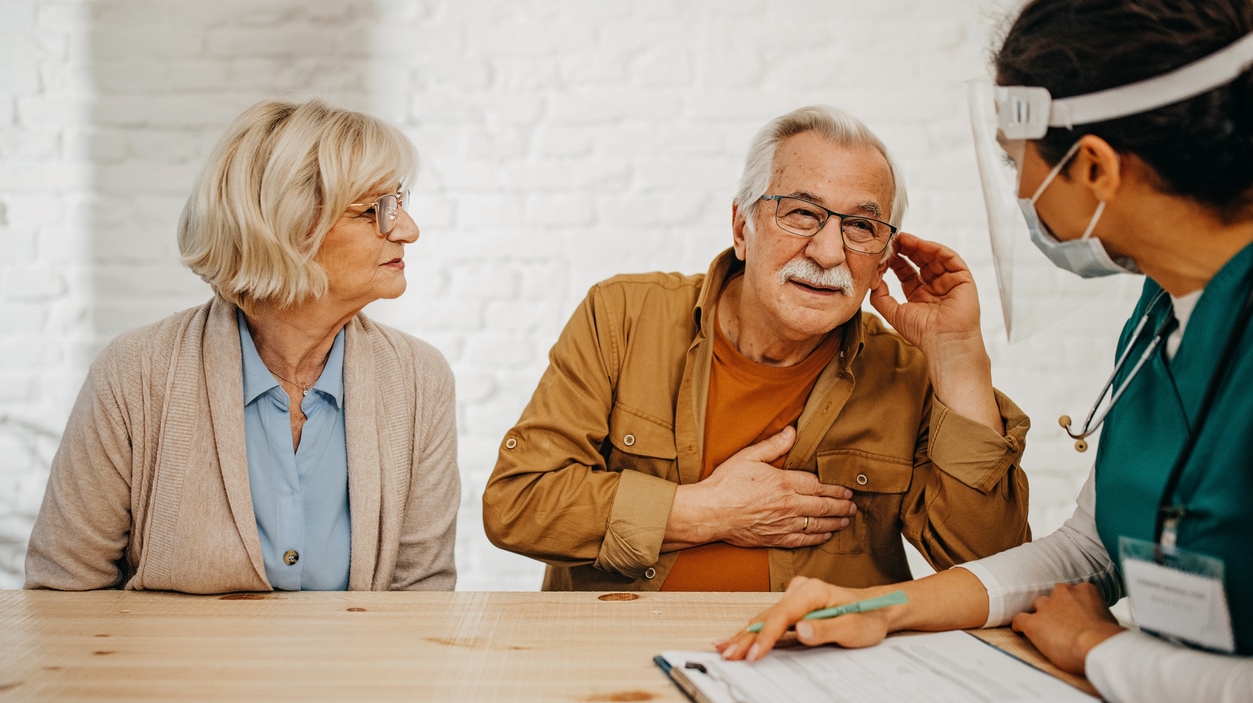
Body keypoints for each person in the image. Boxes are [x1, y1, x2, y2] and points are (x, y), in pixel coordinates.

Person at [722, 0, 1253, 703]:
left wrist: (1098, 650)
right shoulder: (1162, 307)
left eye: (1019, 164)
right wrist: (884, 607)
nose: (1015, 193)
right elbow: (1089, 550)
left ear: (1096, 166)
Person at [482, 105, 1031, 592]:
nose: (827, 251)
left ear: (883, 259)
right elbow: (520, 504)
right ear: (742, 228)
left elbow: (993, 566)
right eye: (801, 213)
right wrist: (707, 513)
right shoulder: (623, 316)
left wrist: (958, 355)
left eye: (860, 226)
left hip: (821, 671)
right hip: (618, 659)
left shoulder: (907, 374)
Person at [25, 98, 459, 594]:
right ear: (287, 227)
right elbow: (63, 596)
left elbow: (421, 598)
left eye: (399, 203)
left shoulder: (418, 378)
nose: (408, 229)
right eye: (374, 210)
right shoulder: (136, 373)